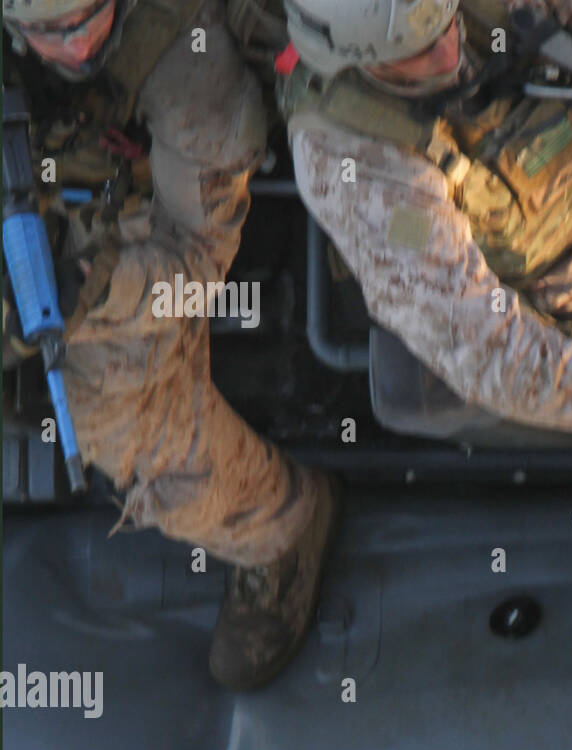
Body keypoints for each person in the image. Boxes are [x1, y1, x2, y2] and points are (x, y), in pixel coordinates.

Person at [3, 0, 339, 690]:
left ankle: (277, 527)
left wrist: (91, 291)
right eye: (47, 32)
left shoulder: (192, 72)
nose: (73, 46)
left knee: (130, 433)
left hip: (128, 242)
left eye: (86, 21)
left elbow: (195, 275)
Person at [278, 0, 572, 432]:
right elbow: (484, 347)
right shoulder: (351, 161)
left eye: (447, 21)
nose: (449, 51)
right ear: (357, 62)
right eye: (418, 52)